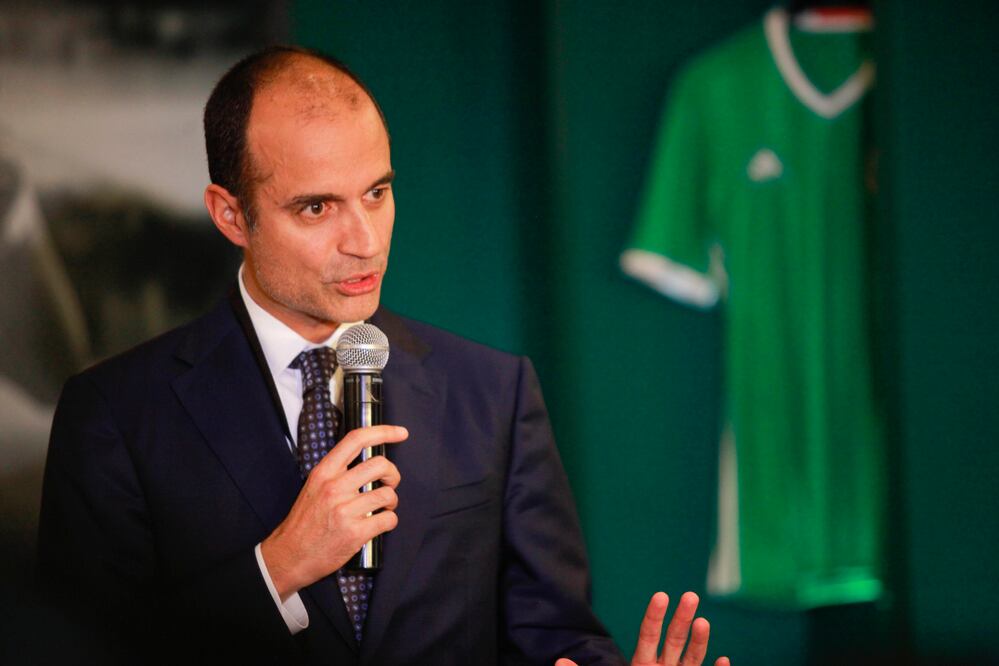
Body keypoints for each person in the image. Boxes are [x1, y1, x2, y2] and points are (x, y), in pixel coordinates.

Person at [36, 46, 730, 666]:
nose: (364, 240)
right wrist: (278, 568)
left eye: (377, 192)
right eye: (316, 209)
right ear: (231, 215)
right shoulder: (116, 416)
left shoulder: (492, 392)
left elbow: (550, 633)